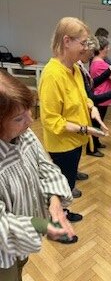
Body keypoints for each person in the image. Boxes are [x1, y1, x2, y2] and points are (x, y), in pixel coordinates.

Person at [0, 70, 75, 281]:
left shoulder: (23, 134)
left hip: (19, 245)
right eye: (18, 118)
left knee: (19, 267)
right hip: (2, 253)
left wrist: (54, 201)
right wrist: (41, 225)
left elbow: (46, 166)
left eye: (29, 111)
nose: (31, 121)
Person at [39, 17, 107, 218]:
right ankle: (56, 222)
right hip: (62, 143)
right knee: (60, 186)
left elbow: (82, 96)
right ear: (67, 41)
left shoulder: (75, 68)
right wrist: (86, 129)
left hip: (75, 140)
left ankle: (64, 212)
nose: (86, 48)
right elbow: (51, 121)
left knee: (68, 182)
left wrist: (92, 108)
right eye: (83, 43)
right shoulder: (52, 75)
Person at [78, 35, 111, 156]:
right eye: (107, 47)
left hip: (100, 97)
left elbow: (94, 82)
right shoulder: (98, 63)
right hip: (99, 97)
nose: (92, 55)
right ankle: (91, 149)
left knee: (97, 123)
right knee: (96, 124)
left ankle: (95, 144)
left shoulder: (94, 63)